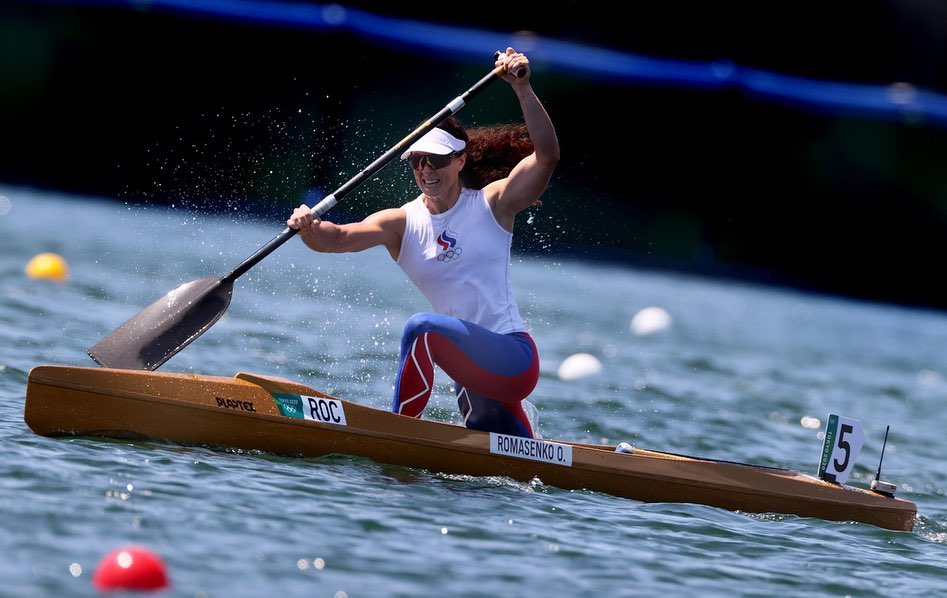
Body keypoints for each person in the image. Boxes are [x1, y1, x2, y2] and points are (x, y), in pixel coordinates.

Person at [287, 47, 559, 438]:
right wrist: (309, 226)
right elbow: (338, 238)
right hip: (472, 372)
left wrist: (522, 87)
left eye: (437, 160)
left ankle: (398, 432)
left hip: (513, 358)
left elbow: (547, 156)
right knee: (495, 444)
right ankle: (525, 439)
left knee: (423, 327)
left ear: (460, 161)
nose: (426, 170)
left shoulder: (493, 204)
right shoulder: (401, 222)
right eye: (418, 161)